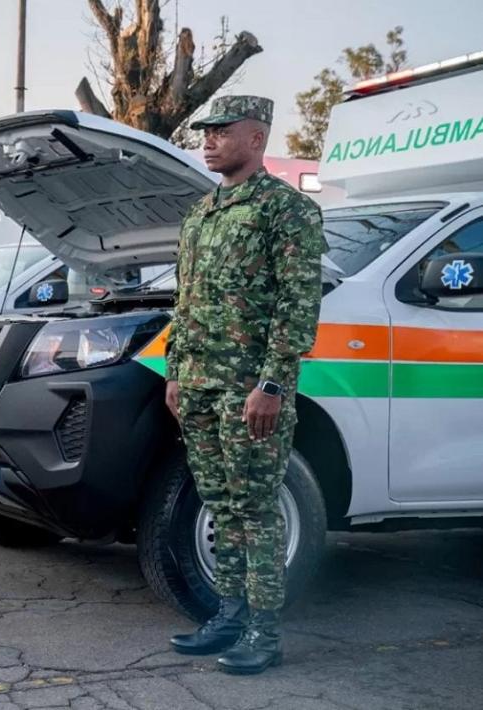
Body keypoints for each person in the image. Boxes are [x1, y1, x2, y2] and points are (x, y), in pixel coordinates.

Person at [164, 96, 325, 675]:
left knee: (257, 509)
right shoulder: (202, 211)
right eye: (204, 132)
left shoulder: (287, 210)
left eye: (220, 132)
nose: (207, 140)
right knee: (220, 504)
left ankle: (264, 631)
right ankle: (228, 614)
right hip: (202, 386)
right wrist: (176, 371)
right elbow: (186, 301)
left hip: (250, 389)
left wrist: (273, 383)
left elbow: (297, 304)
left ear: (255, 139)